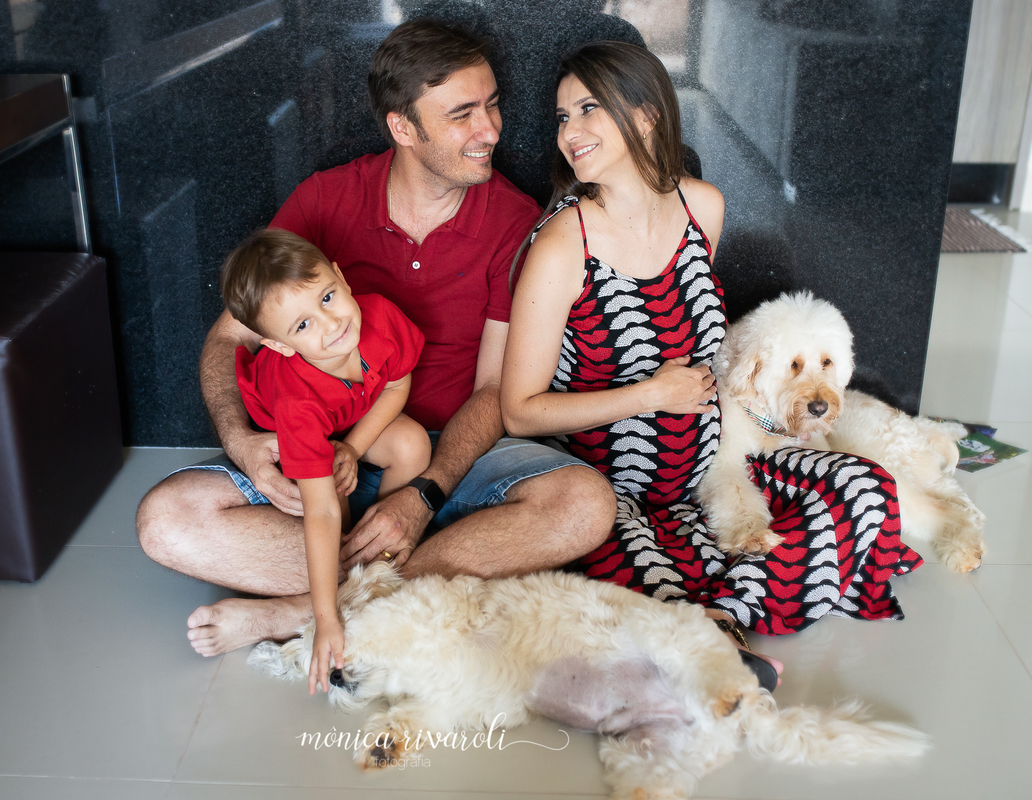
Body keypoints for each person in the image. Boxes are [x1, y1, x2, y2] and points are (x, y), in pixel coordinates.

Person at [136, 19, 617, 662]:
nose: (490, 131)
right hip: (326, 448)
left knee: (584, 504)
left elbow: (495, 389)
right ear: (402, 127)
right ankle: (433, 574)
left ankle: (304, 612)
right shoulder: (325, 201)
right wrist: (241, 443)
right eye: (462, 115)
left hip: (456, 459)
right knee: (166, 520)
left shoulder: (515, 220)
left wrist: (423, 495)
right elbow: (229, 338)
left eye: (493, 104)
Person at [501, 41, 923, 685]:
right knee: (628, 570)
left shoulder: (703, 207)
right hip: (613, 488)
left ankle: (711, 620)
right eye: (562, 116)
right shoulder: (563, 245)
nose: (570, 132)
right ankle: (723, 621)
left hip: (716, 467)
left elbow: (697, 332)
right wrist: (648, 396)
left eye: (588, 109)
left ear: (646, 114)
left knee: (866, 490)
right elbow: (520, 412)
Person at [221, 228, 431, 692]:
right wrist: (326, 618)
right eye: (302, 326)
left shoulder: (380, 318)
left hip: (349, 412)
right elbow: (320, 511)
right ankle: (341, 578)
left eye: (328, 297)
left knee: (413, 445)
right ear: (279, 345)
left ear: (341, 277)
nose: (332, 323)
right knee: (332, 494)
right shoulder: (295, 403)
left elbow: (396, 385)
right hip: (289, 426)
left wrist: (352, 447)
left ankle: (381, 555)